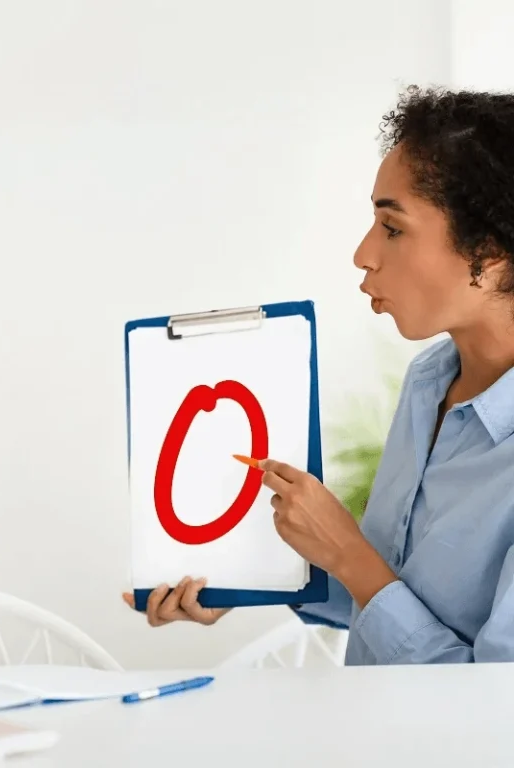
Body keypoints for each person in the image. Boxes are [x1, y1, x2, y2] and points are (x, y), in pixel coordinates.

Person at [124, 86, 514, 664]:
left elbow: (491, 705)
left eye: (393, 227)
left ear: (487, 256)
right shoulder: (430, 381)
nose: (363, 253)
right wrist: (249, 578)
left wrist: (349, 553)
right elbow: (391, 586)